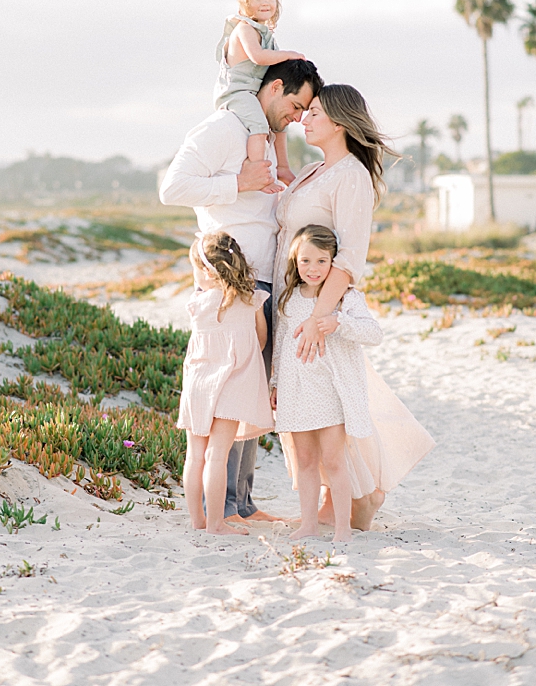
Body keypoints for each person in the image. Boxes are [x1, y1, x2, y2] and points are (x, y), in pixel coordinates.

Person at [160, 58, 324, 525]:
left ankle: (242, 504)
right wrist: (237, 183)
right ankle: (225, 506)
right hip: (232, 278)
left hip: (266, 275)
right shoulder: (221, 129)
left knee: (249, 390)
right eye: (294, 106)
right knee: (230, 390)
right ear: (273, 89)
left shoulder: (266, 138)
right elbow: (172, 188)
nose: (296, 118)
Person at [271, 84, 435, 532]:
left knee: (332, 404)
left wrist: (319, 319)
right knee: (310, 407)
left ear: (341, 123)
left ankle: (361, 497)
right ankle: (336, 499)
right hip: (294, 304)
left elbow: (348, 258)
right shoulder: (312, 170)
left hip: (317, 309)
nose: (306, 117)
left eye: (316, 112)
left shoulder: (351, 176)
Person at [271, 224, 381, 543]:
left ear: (334, 262)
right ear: (295, 261)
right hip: (296, 389)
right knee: (305, 461)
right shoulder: (290, 298)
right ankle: (308, 524)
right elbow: (281, 343)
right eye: (305, 261)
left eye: (322, 261)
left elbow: (374, 334)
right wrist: (275, 383)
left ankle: (343, 528)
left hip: (330, 391)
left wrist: (339, 323)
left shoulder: (346, 298)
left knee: (333, 460)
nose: (313, 269)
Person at [178, 232, 273, 536]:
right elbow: (260, 341)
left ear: (207, 272)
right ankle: (217, 523)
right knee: (217, 455)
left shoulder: (197, 304)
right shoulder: (252, 300)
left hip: (198, 384)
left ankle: (198, 521)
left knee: (195, 455)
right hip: (233, 385)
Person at [215, 0, 306, 190]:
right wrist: (288, 54)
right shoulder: (244, 29)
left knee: (279, 125)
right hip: (237, 93)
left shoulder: (267, 35)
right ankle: (257, 173)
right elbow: (258, 57)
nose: (265, 3)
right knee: (259, 127)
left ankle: (282, 166)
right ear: (245, 3)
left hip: (253, 92)